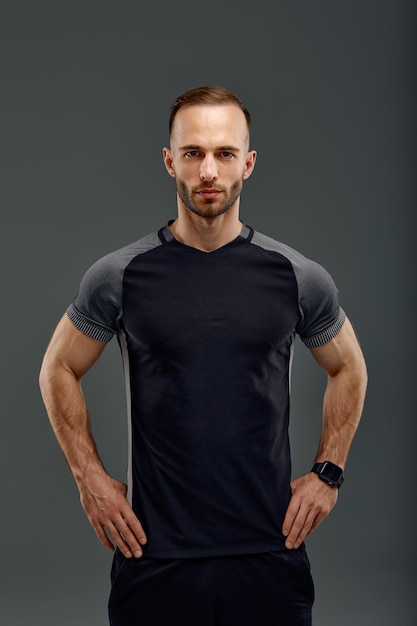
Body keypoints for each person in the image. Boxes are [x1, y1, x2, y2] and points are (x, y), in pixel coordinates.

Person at [39, 85, 367, 626]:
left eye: (224, 153)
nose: (208, 170)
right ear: (170, 161)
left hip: (268, 554)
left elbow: (348, 366)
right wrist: (89, 479)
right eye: (193, 153)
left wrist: (327, 473)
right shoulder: (120, 276)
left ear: (249, 163)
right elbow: (58, 367)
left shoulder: (296, 276)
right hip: (154, 556)